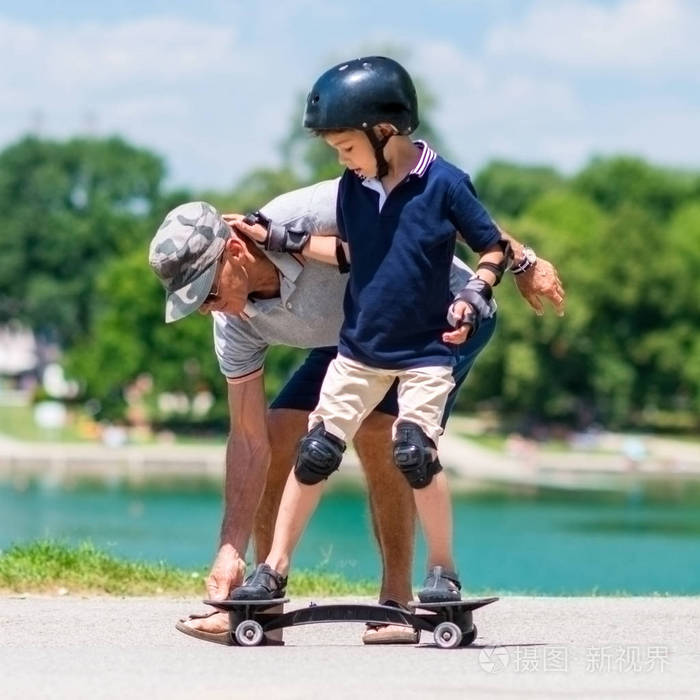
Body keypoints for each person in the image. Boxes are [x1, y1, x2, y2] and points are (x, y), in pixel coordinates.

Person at [149, 183, 564, 643]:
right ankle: (260, 600)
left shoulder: (306, 216)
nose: (208, 310)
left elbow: (436, 206)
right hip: (354, 338)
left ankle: (396, 600)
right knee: (279, 429)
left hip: (439, 311)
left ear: (234, 252)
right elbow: (248, 440)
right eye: (195, 304)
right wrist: (229, 550)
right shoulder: (233, 323)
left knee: (378, 431)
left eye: (206, 293)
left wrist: (522, 261)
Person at [227, 56, 534, 605]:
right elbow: (347, 254)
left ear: (384, 131)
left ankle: (441, 572)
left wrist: (477, 292)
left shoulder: (444, 184)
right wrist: (281, 237)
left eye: (346, 147)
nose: (342, 160)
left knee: (413, 450)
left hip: (425, 352)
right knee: (315, 450)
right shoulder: (354, 187)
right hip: (359, 352)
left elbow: (490, 244)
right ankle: (272, 569)